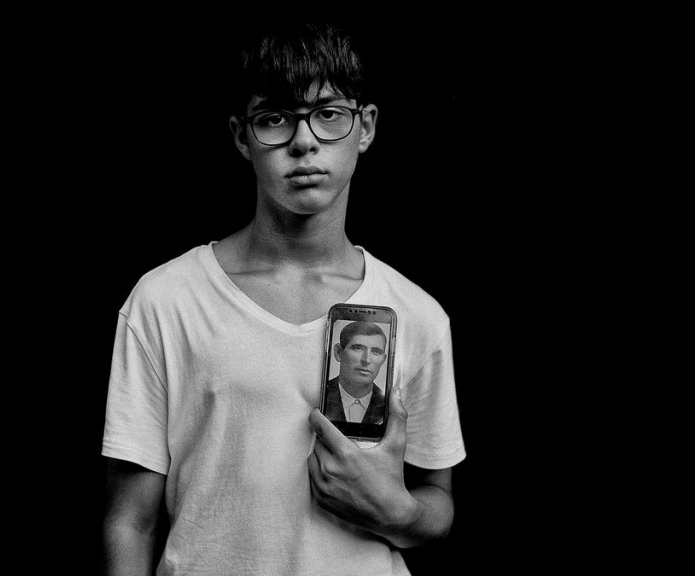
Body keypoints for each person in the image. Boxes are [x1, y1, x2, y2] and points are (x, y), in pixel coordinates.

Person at [102, 18, 465, 576]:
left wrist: (400, 512)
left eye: (329, 114)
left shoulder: (417, 314)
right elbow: (131, 521)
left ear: (365, 127)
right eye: (274, 117)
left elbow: (437, 498)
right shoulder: (165, 300)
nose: (303, 141)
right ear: (241, 137)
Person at [324, 321, 388, 425]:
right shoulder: (320, 395)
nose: (366, 360)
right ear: (338, 352)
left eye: (376, 352)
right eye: (358, 348)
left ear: (383, 360)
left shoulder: (388, 405)